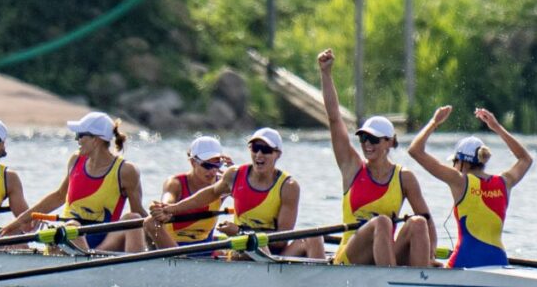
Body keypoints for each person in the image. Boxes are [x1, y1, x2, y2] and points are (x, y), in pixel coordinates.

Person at [318, 49, 436, 267]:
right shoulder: (352, 167)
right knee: (381, 222)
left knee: (418, 223)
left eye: (373, 140)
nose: (366, 144)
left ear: (389, 142)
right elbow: (335, 119)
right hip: (350, 255)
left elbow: (428, 221)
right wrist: (326, 74)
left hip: (384, 252)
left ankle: (421, 280)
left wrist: (432, 256)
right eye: (363, 138)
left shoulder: (404, 178)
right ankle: (390, 280)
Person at [150, 128, 325, 258]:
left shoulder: (289, 186)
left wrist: (241, 231)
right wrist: (171, 209)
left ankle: (326, 284)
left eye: (265, 150)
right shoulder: (234, 175)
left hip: (273, 252)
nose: (259, 154)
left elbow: (280, 240)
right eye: (255, 148)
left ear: (277, 154)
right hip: (242, 251)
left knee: (315, 236)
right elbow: (208, 195)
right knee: (245, 248)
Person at [407, 106, 533, 268]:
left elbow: (415, 150)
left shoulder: (459, 181)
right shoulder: (505, 182)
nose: (453, 166)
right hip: (498, 262)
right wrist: (497, 127)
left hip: (464, 261)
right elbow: (525, 159)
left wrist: (434, 122)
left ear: (462, 162)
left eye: (454, 162)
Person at [2, 112, 145, 252]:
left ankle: (137, 269)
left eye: (80, 135)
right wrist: (20, 221)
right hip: (70, 237)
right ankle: (82, 260)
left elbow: (139, 212)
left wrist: (161, 224)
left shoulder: (126, 171)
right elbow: (59, 196)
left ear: (96, 140)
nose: (77, 140)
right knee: (72, 227)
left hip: (105, 244)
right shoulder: (75, 161)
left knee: (133, 219)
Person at [143, 136, 231, 249]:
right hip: (172, 249)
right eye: (207, 165)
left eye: (217, 164)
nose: (213, 171)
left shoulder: (222, 184)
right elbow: (167, 202)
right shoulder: (175, 183)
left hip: (204, 251)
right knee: (151, 222)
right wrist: (162, 209)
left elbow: (250, 194)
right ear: (193, 162)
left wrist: (237, 174)